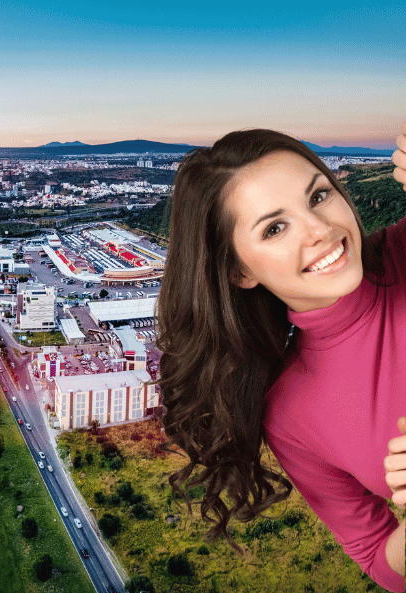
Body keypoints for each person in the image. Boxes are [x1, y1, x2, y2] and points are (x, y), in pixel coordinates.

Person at [157, 125, 406, 591]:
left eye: (318, 197)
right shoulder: (290, 414)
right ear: (239, 270)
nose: (322, 230)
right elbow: (381, 561)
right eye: (274, 228)